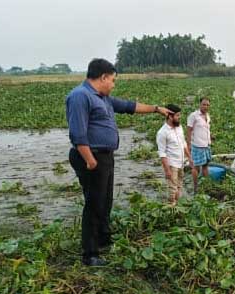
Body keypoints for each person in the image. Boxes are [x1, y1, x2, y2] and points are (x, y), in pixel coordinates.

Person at [66, 58, 172, 267]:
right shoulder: (80, 96)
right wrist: (90, 160)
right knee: (94, 204)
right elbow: (77, 134)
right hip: (92, 157)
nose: (114, 84)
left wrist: (157, 109)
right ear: (103, 77)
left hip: (104, 157)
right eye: (113, 80)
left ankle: (104, 238)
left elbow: (128, 106)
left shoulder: (104, 98)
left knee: (105, 201)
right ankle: (90, 254)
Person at [156, 104, 193, 205]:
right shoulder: (162, 132)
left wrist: (189, 158)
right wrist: (167, 170)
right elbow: (162, 154)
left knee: (179, 186)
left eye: (179, 115)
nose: (179, 118)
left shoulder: (179, 127)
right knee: (172, 190)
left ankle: (177, 206)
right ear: (169, 116)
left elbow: (183, 143)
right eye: (177, 115)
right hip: (172, 165)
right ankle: (172, 207)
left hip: (181, 162)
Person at [187, 97, 213, 193]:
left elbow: (206, 129)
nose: (206, 106)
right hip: (197, 145)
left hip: (206, 144)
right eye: (204, 104)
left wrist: (211, 137)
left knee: (206, 165)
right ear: (200, 105)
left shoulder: (207, 116)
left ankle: (206, 185)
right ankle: (195, 188)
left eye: (207, 105)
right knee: (196, 167)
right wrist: (188, 144)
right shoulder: (193, 116)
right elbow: (189, 130)